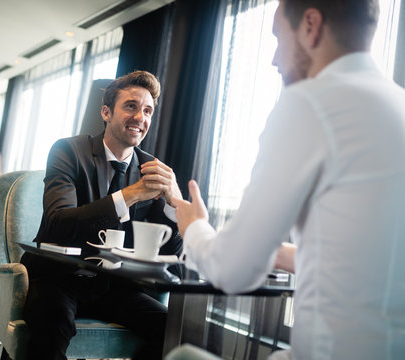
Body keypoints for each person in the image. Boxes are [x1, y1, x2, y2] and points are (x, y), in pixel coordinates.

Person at [172, 0, 405, 359]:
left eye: (279, 37)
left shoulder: (311, 103)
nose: (274, 59)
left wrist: (195, 228)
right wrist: (274, 251)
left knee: (181, 356)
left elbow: (233, 273)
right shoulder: (397, 104)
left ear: (311, 26)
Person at [20, 70, 183, 360]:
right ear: (106, 112)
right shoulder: (68, 151)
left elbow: (171, 254)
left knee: (175, 330)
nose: (140, 117)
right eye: (131, 106)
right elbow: (58, 222)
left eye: (147, 110)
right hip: (57, 276)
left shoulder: (152, 168)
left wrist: (174, 205)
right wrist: (130, 195)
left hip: (114, 285)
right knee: (53, 322)